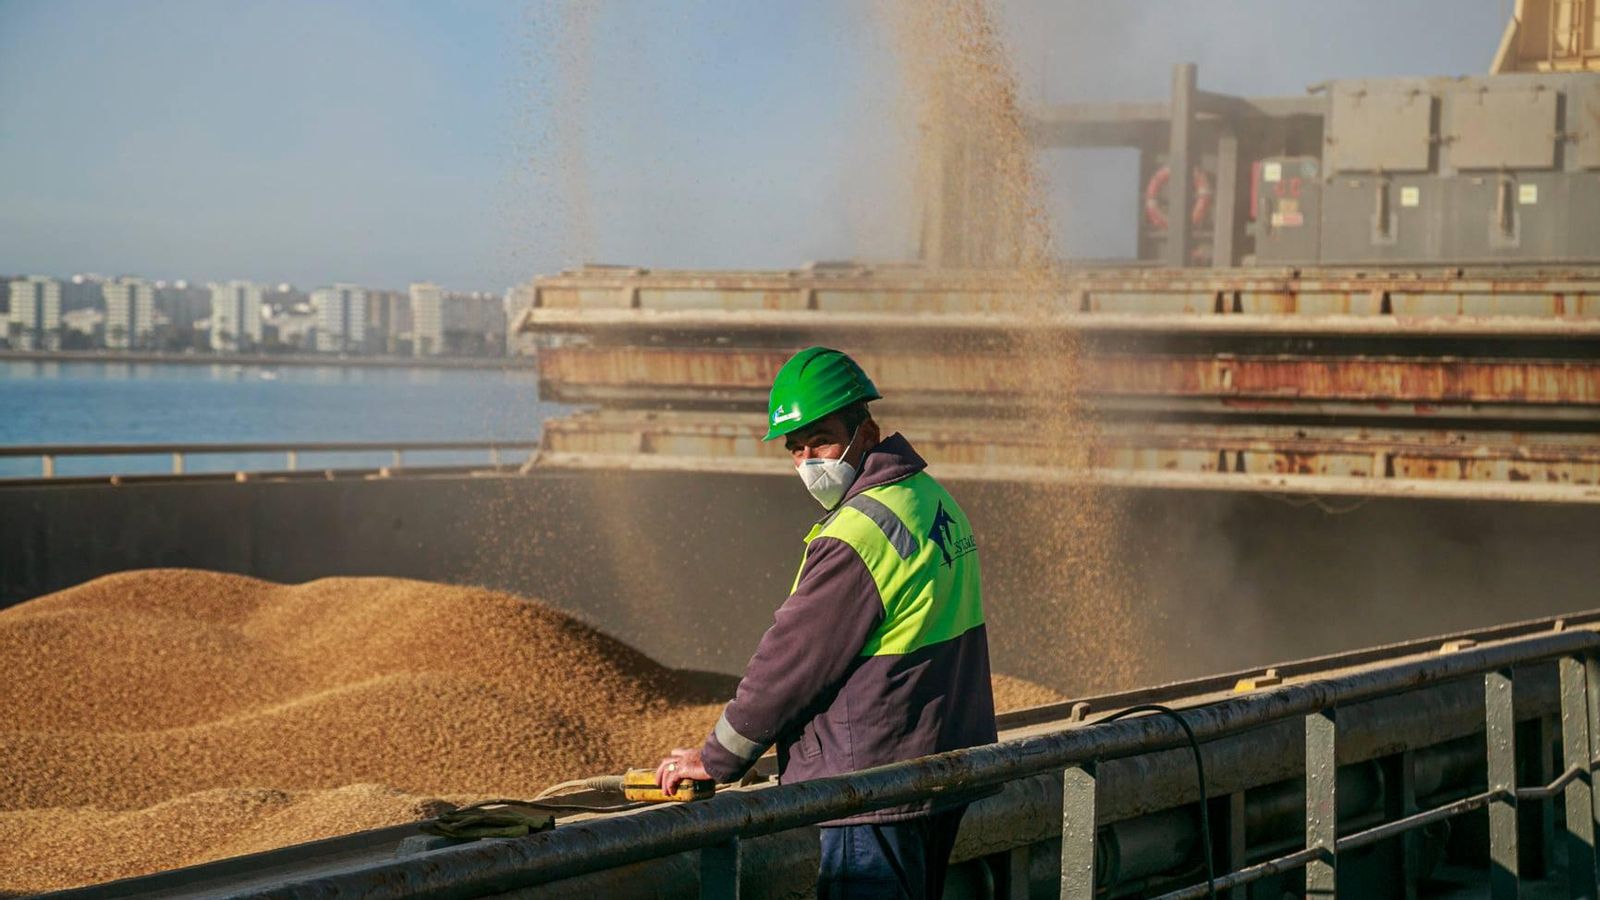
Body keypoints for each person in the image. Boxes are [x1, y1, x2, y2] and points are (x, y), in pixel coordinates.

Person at [655, 346, 996, 899]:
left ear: (867, 431)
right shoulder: (930, 499)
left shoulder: (857, 535)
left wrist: (717, 759)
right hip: (941, 767)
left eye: (822, 441)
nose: (809, 460)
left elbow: (791, 664)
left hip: (872, 784)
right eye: (796, 448)